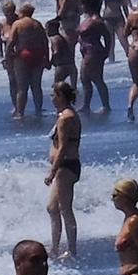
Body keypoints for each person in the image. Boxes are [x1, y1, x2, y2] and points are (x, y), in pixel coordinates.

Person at [45, 80, 81, 260]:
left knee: (65, 208)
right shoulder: (64, 115)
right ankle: (55, 248)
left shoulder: (66, 118)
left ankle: (72, 250)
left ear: (61, 96)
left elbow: (63, 147)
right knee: (52, 208)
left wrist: (53, 170)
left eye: (54, 95)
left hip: (66, 166)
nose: (52, 98)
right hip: (64, 166)